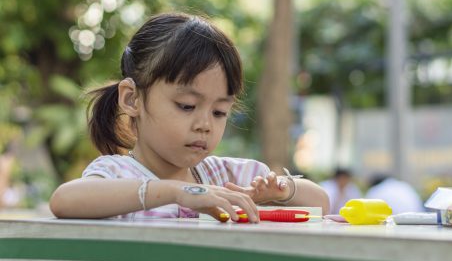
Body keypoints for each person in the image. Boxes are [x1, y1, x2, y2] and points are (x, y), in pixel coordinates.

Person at [49, 12, 329, 222]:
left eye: (219, 112)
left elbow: (321, 203)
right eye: (186, 106)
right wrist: (177, 192)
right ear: (131, 98)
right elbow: (64, 200)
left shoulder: (226, 176)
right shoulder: (117, 175)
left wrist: (281, 191)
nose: (205, 125)